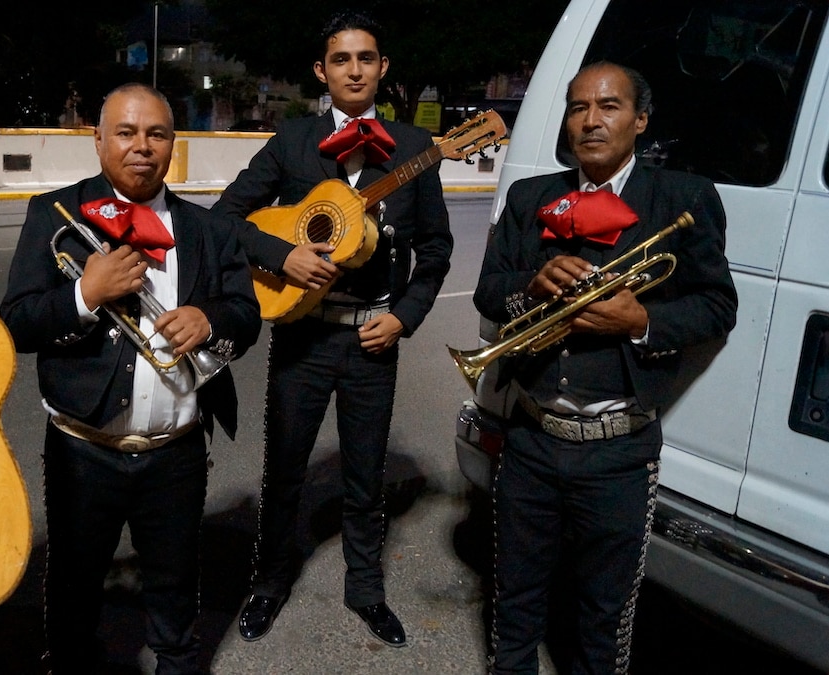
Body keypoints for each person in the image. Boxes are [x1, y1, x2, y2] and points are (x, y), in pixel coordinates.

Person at [472, 61, 738, 674]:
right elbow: (489, 290)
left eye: (609, 106)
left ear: (640, 120)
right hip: (531, 438)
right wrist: (531, 287)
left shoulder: (684, 198)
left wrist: (640, 321)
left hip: (619, 451)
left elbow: (717, 305)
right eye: (578, 108)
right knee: (513, 602)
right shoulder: (530, 197)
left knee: (603, 618)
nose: (591, 121)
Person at [0, 82, 261, 674]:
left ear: (172, 144)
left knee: (175, 588)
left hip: (177, 451)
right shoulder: (53, 213)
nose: (141, 146)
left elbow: (246, 316)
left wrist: (210, 318)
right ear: (98, 140)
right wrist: (84, 295)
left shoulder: (209, 229)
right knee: (73, 587)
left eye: (156, 134)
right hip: (81, 451)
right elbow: (15, 323)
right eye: (125, 132)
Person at [211, 10, 453, 648]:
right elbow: (225, 218)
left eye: (366, 58)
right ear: (321, 71)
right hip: (303, 336)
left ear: (383, 67)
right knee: (285, 468)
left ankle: (366, 590)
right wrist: (279, 255)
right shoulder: (293, 141)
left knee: (366, 473)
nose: (354, 70)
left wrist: (404, 317)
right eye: (341, 59)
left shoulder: (412, 147)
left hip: (373, 339)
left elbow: (436, 250)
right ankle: (269, 582)